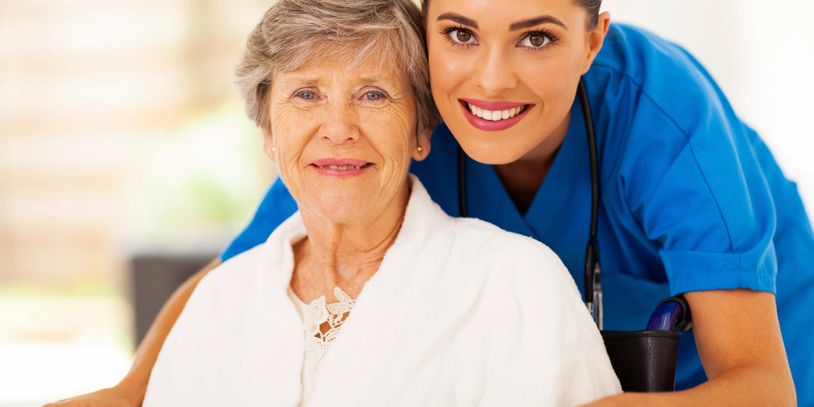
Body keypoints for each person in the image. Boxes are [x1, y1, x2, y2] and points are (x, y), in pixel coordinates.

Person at [49, 0, 811, 405]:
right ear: (426, 27)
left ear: (592, 41)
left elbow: (761, 385)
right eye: (459, 32)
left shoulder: (663, 120)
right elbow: (237, 271)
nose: (490, 79)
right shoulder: (394, 113)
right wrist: (128, 392)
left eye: (537, 39)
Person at [138, 0, 619, 405]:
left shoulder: (517, 282)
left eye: (373, 95)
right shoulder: (220, 302)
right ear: (268, 132)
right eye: (306, 94)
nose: (339, 127)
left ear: (421, 132)